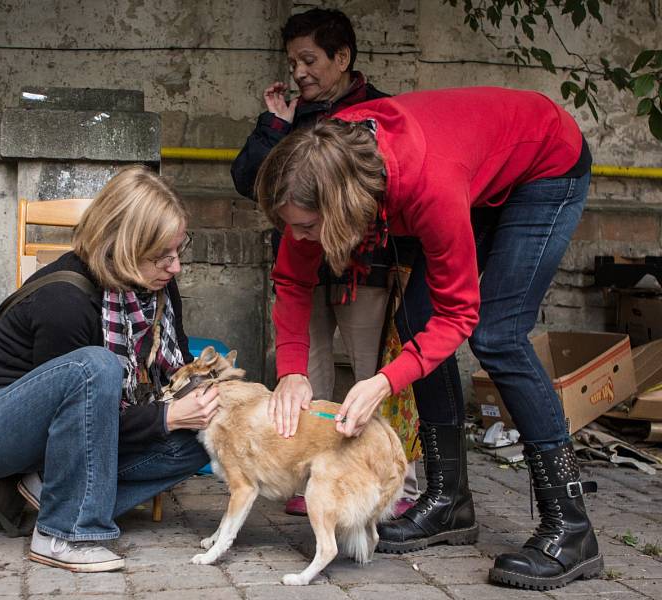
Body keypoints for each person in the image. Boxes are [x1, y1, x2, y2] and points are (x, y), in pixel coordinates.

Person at [255, 87, 600, 590]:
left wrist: (383, 382)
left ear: (345, 205)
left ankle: (571, 527)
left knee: (498, 335)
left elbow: (460, 313)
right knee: (416, 320)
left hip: (546, 162)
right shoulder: (316, 167)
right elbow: (291, 280)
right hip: (476, 170)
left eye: (307, 227)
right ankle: (449, 501)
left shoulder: (427, 185)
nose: (300, 238)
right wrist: (291, 370)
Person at [0, 166, 217, 573]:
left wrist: (205, 397)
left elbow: (161, 381)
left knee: (207, 437)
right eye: (162, 255)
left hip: (70, 432)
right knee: (96, 367)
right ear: (122, 245)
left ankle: (46, 494)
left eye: (179, 250)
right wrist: (166, 417)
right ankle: (63, 531)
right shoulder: (65, 302)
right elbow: (84, 419)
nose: (175, 266)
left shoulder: (155, 285)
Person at [231, 6, 421, 518]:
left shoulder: (383, 113)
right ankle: (308, 474)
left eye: (309, 59)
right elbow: (248, 180)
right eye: (293, 62)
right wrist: (274, 125)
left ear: (343, 57)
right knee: (304, 371)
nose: (299, 72)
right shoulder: (290, 118)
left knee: (372, 372)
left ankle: (393, 483)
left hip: (368, 266)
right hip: (300, 266)